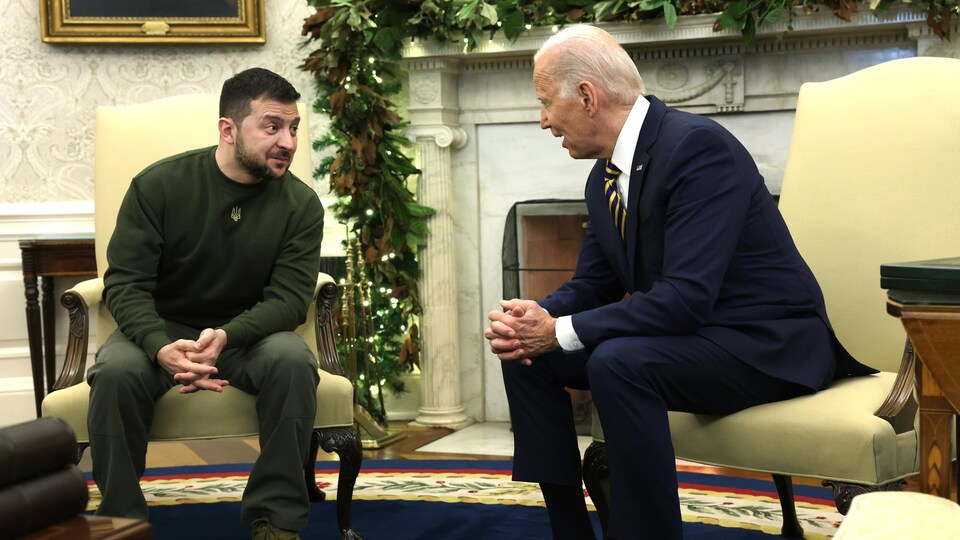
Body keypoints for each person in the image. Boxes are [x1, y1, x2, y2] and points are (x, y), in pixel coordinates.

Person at [484, 25, 875, 540]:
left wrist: (559, 329)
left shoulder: (697, 148)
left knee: (618, 362)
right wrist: (533, 321)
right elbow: (593, 284)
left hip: (765, 343)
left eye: (543, 103)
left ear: (586, 96)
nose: (542, 121)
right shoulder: (604, 178)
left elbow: (684, 299)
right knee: (527, 355)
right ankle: (569, 532)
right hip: (693, 340)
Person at [87, 67, 324, 540]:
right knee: (114, 372)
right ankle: (121, 521)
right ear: (228, 129)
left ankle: (276, 520)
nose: (289, 142)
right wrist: (159, 345)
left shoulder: (301, 205)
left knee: (293, 360)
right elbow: (126, 285)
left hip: (245, 337)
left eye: (294, 128)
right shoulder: (158, 186)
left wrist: (227, 336)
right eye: (273, 126)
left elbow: (289, 300)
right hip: (160, 329)